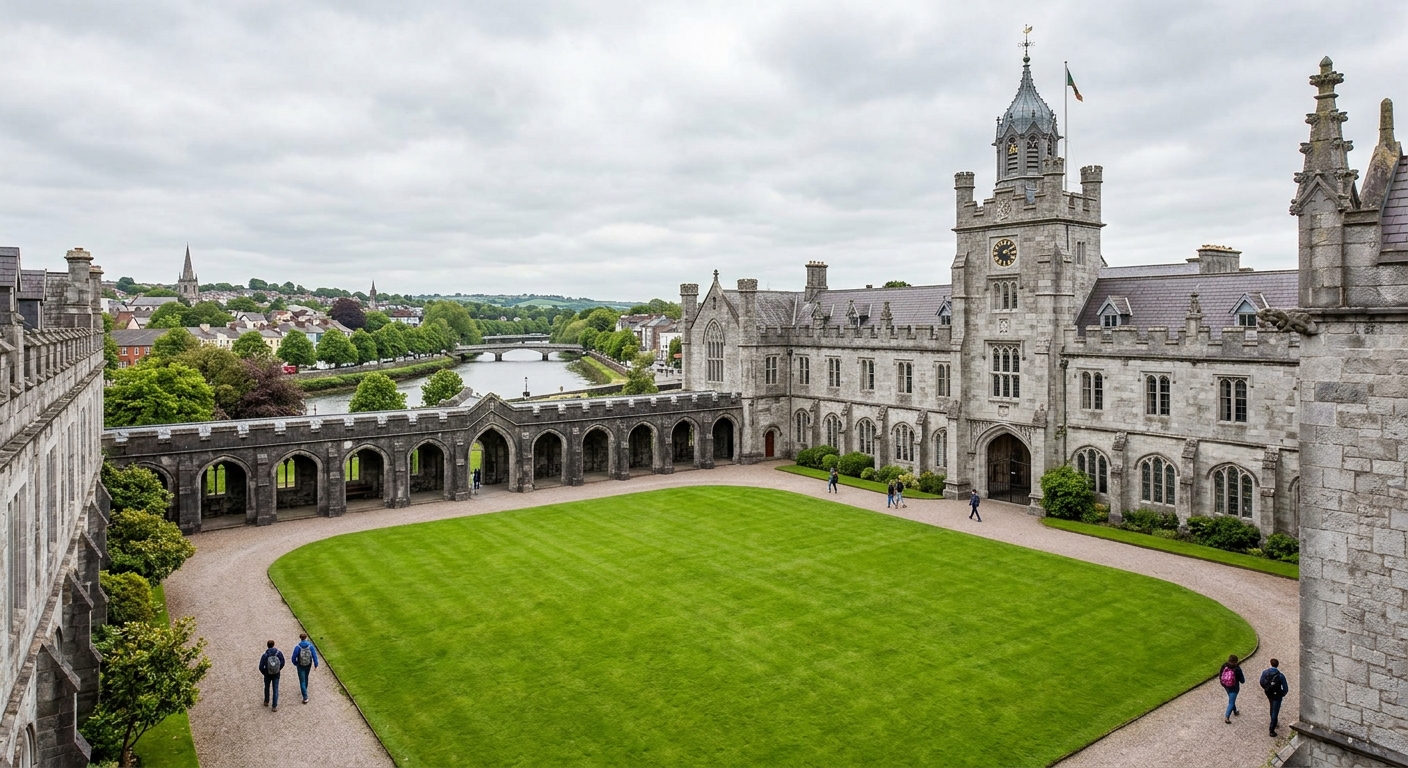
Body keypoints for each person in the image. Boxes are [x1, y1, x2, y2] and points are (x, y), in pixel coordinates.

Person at [1259, 658, 1290, 737]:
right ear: (1277, 665)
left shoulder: (1265, 672)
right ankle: (1272, 729)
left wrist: (1267, 688)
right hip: (1277, 695)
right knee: (1275, 711)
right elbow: (1286, 688)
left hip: (1269, 693)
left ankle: (1274, 721)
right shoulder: (1280, 676)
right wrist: (1282, 694)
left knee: (1272, 705)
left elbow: (1261, 682)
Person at [292, 632, 320, 704]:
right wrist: (316, 664)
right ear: (306, 637)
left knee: (302, 681)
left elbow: (293, 658)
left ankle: (305, 697)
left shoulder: (297, 647)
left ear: (300, 638)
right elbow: (314, 655)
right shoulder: (310, 645)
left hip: (300, 665)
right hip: (308, 664)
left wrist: (296, 663)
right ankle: (305, 689)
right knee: (306, 677)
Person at [259, 640, 285, 711]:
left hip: (267, 673)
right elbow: (282, 662)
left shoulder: (265, 655)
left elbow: (261, 666)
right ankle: (274, 706)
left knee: (267, 687)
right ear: (274, 645)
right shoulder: (278, 653)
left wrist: (265, 672)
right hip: (276, 673)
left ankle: (266, 701)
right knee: (275, 689)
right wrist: (278, 669)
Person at [1219, 653, 1245, 724]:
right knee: (1231, 702)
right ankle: (1227, 717)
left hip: (1226, 686)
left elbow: (1220, 675)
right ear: (1235, 661)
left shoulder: (1224, 666)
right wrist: (1242, 680)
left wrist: (1223, 683)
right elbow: (1242, 680)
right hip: (1234, 687)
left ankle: (1235, 711)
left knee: (1231, 699)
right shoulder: (1237, 668)